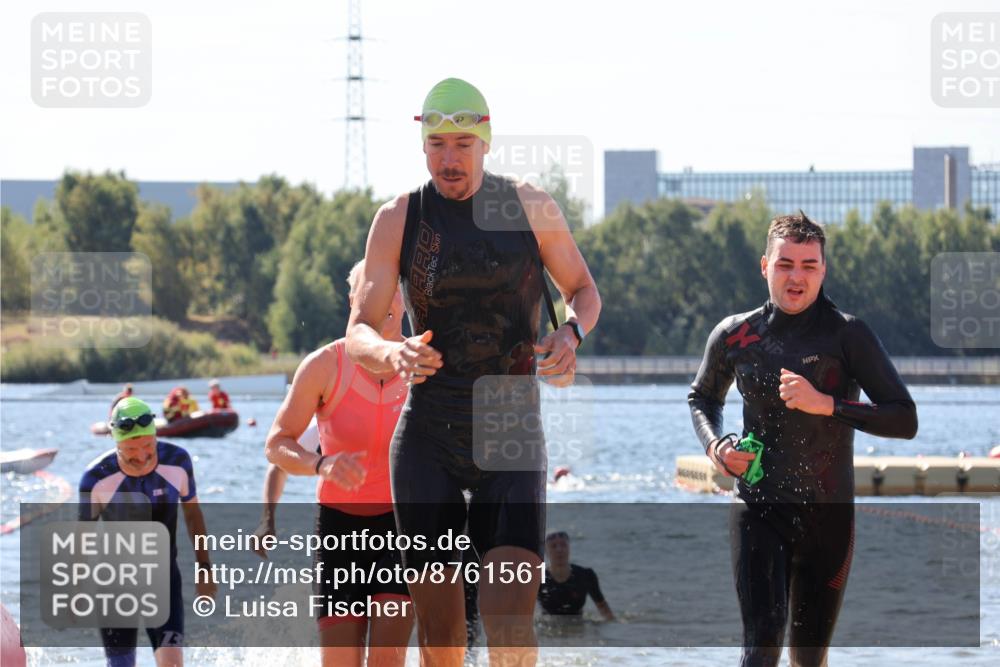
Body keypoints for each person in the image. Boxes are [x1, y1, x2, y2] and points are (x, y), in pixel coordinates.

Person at [345, 77, 601, 667]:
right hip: (428, 434)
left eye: (462, 143)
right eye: (438, 144)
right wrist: (393, 353)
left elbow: (583, 290)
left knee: (509, 624)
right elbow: (359, 330)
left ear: (485, 142)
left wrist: (570, 332)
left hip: (509, 431)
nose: (449, 158)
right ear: (423, 146)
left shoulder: (528, 204)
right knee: (441, 634)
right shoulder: (398, 217)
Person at [688, 212, 918, 667]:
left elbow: (903, 419)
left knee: (808, 658)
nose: (797, 277)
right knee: (761, 649)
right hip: (758, 507)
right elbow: (702, 398)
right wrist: (716, 446)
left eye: (808, 266)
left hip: (827, 517)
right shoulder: (736, 334)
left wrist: (827, 404)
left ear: (823, 270)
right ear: (764, 266)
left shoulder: (848, 334)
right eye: (785, 264)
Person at [264, 261, 414, 667]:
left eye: (391, 289)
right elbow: (277, 444)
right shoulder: (324, 365)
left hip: (404, 529)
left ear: (404, 299)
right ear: (354, 301)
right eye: (370, 289)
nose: (383, 297)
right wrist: (320, 464)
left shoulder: (423, 365)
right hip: (339, 531)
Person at [80, 397, 217, 667]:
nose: (141, 456)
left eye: (147, 445)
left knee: (172, 664)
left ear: (156, 436)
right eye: (131, 449)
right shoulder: (96, 479)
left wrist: (204, 567)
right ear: (116, 442)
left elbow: (192, 514)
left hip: (164, 580)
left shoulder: (178, 462)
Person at [537, 531, 614, 620]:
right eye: (553, 546)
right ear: (545, 551)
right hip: (548, 631)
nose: (559, 550)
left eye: (563, 545)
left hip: (579, 629)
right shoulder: (539, 578)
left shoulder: (585, 575)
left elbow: (602, 606)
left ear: (569, 548)